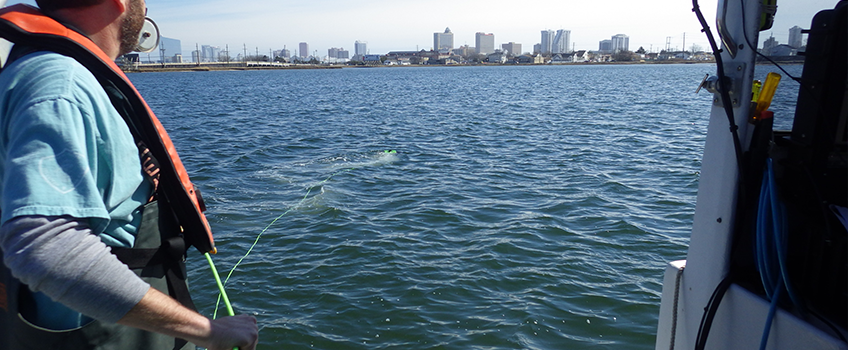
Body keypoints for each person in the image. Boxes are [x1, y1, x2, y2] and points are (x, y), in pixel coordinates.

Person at [0, 0, 259, 349]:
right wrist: (208, 331)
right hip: (96, 336)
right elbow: (46, 248)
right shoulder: (61, 86)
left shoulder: (46, 73)